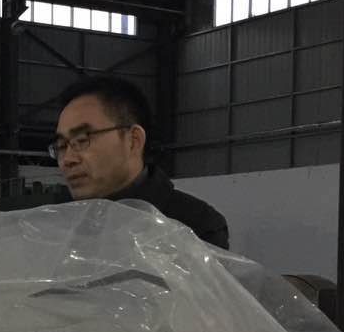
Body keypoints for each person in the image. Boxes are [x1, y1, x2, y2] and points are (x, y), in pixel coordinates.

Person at [51, 75, 229, 249]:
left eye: (82, 140)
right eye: (61, 146)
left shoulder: (194, 226)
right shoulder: (55, 224)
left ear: (133, 140)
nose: (67, 159)